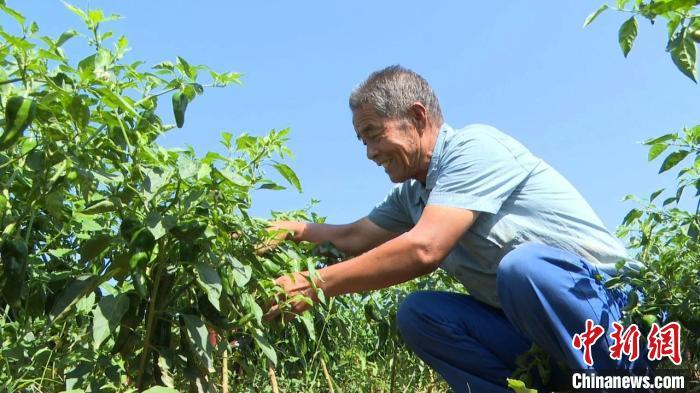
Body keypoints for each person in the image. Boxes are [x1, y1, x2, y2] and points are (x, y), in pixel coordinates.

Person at [264, 65, 651, 392]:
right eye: (362, 141)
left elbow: (424, 249)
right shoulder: (413, 196)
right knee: (420, 313)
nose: (370, 153)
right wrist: (292, 230)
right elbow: (352, 238)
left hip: (611, 312)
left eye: (374, 134)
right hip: (544, 334)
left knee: (523, 268)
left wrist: (316, 283)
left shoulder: (474, 148)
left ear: (417, 117)